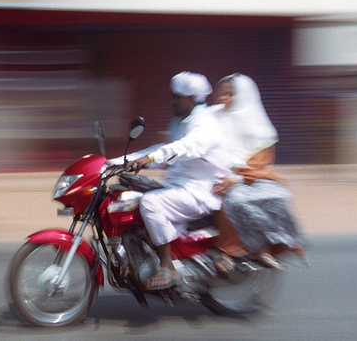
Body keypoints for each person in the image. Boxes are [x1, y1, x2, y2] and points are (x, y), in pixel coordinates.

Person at [124, 71, 233, 290]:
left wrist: (153, 157)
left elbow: (188, 147)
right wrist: (115, 162)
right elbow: (162, 150)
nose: (172, 101)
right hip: (180, 187)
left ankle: (168, 266)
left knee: (150, 202)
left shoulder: (205, 122)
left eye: (178, 97)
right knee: (129, 195)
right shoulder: (180, 122)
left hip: (200, 191)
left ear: (192, 98)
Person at [208, 73, 306, 272]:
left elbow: (259, 165)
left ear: (244, 96)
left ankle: (270, 245)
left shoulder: (258, 127)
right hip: (214, 172)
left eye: (229, 94)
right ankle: (231, 251)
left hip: (249, 177)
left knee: (278, 195)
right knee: (234, 200)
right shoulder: (212, 116)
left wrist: (236, 178)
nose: (222, 98)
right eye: (221, 93)